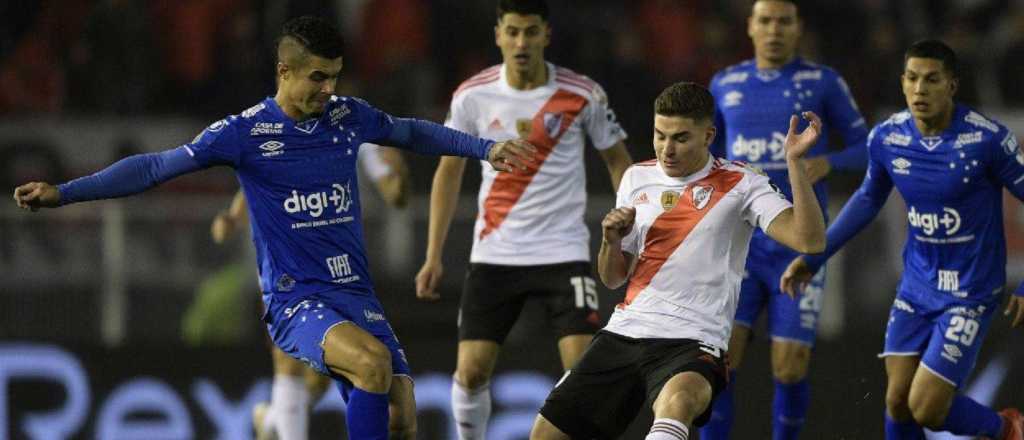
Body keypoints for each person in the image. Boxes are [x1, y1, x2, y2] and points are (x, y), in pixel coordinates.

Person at [12, 16, 537, 440]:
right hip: (296, 300)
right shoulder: (243, 133)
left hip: (355, 293)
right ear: (284, 71)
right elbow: (153, 167)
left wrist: (486, 148)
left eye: (334, 76)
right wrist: (66, 192)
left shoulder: (346, 116)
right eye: (317, 78)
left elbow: (411, 133)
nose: (328, 89)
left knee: (402, 417)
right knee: (373, 364)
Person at [529, 81, 826, 440]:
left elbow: (809, 240)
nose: (667, 149)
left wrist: (794, 163)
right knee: (544, 435)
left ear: (708, 135)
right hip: (625, 332)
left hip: (693, 341)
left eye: (680, 138)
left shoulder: (743, 183)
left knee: (678, 404)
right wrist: (611, 241)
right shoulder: (636, 178)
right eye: (660, 135)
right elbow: (612, 278)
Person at [781, 39, 1024, 440]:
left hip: (970, 293)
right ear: (902, 82)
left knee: (926, 407)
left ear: (952, 85)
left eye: (932, 80)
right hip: (916, 287)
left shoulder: (987, 141)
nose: (920, 89)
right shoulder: (888, 137)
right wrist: (815, 257)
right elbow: (867, 199)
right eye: (912, 78)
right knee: (896, 401)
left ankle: (1007, 428)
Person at [412, 1, 633, 438]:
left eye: (530, 32)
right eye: (512, 31)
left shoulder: (582, 93)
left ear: (545, 35)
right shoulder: (472, 96)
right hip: (496, 252)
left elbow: (619, 161)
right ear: (498, 34)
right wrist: (433, 254)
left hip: (563, 250)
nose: (521, 42)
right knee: (472, 372)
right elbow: (448, 171)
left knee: (583, 373)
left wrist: (632, 230)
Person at [702, 1, 869, 438]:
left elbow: (868, 148)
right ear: (751, 28)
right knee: (718, 363)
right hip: (738, 246)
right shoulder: (724, 83)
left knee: (790, 367)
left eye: (784, 21)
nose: (774, 29)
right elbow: (706, 157)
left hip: (797, 246)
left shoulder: (823, 82)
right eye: (766, 21)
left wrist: (827, 164)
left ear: (798, 29)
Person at [208, 144, 409, 440]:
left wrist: (400, 173)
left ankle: (273, 419)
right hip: (288, 269)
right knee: (288, 359)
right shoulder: (281, 139)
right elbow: (249, 195)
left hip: (339, 273)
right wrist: (229, 221)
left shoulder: (355, 136)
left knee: (318, 381)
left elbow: (396, 196)